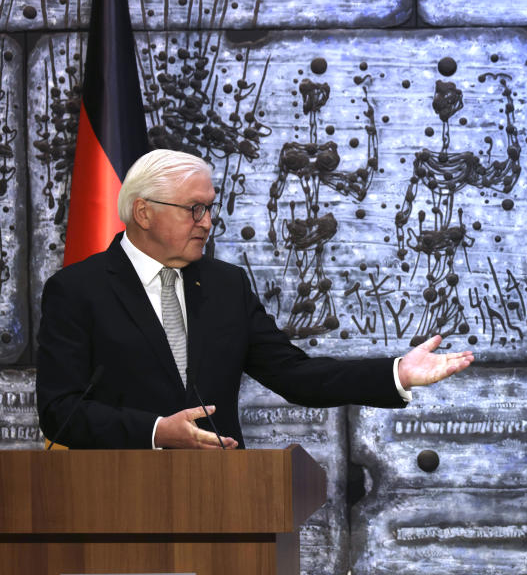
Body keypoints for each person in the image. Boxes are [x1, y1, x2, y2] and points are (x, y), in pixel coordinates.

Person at [36, 149, 473, 449]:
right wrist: (155, 431)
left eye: (210, 207)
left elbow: (296, 375)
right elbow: (60, 411)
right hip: (115, 500)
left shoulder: (226, 286)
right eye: (194, 209)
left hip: (224, 498)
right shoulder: (78, 290)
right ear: (144, 212)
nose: (207, 222)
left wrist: (396, 374)